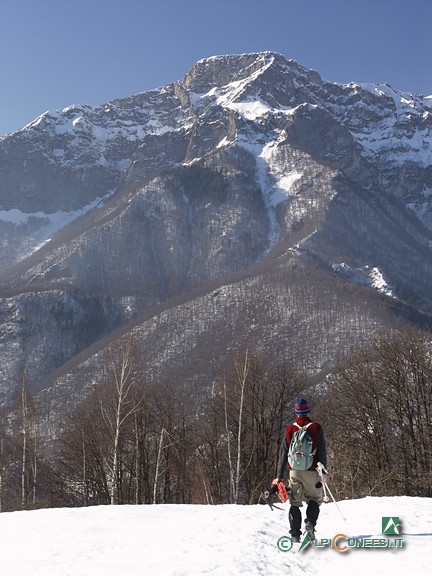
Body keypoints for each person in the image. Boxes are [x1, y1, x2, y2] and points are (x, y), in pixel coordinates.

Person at [274, 397, 327, 542]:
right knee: (314, 500)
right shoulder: (316, 427)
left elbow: (283, 453)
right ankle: (310, 522)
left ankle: (295, 535)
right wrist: (324, 472)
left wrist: (279, 476)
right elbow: (321, 451)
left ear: (296, 412)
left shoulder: (290, 429)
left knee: (294, 503)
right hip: (312, 470)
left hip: (294, 471)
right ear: (308, 410)